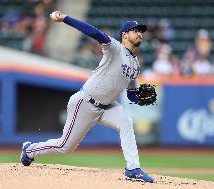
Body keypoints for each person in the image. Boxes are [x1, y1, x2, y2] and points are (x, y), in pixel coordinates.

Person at [20, 10, 154, 183]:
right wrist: (65, 19)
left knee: (126, 122)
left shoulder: (135, 64)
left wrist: (141, 98)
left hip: (108, 106)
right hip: (85, 102)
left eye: (141, 31)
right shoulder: (114, 48)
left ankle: (133, 169)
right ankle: (30, 149)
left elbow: (131, 95)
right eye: (135, 30)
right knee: (64, 147)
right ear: (124, 34)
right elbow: (94, 32)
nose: (139, 34)